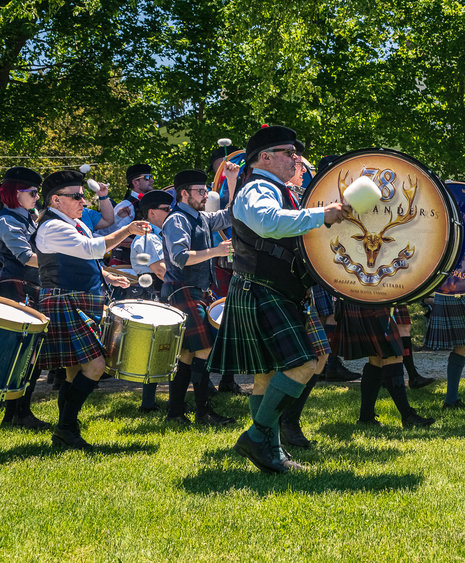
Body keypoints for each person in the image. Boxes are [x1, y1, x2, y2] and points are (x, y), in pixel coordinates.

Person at [207, 125, 347, 474]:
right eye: (288, 152)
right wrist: (321, 215)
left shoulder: (281, 190)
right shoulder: (257, 188)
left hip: (276, 288)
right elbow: (269, 224)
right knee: (303, 364)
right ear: (264, 157)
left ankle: (271, 451)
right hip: (261, 287)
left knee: (266, 376)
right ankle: (257, 436)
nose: (296, 158)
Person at [32, 170, 148, 449]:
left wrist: (106, 275)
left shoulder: (75, 223)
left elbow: (86, 258)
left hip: (82, 298)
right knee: (97, 365)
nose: (84, 201)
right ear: (56, 200)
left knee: (75, 372)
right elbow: (89, 249)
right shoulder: (52, 227)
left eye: (84, 195)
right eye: (77, 196)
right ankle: (66, 427)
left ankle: (66, 429)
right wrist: (127, 230)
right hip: (64, 299)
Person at [161, 170, 239, 427]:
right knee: (204, 349)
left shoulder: (202, 218)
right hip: (182, 290)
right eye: (200, 191)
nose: (206, 195)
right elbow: (181, 257)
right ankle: (204, 413)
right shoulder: (177, 220)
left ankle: (175, 412)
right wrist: (215, 251)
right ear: (184, 193)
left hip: (196, 291)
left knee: (185, 355)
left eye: (206, 191)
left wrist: (231, 180)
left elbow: (231, 213)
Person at [0, 167, 49, 429]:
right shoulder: (6, 221)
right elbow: (25, 257)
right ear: (15, 194)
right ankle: (16, 413)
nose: (37, 196)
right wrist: (62, 260)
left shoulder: (29, 217)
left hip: (31, 287)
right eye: (32, 192)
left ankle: (19, 413)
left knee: (34, 353)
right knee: (20, 352)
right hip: (14, 289)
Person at [128, 189, 175, 413]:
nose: (171, 212)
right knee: (156, 348)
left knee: (168, 346)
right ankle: (147, 403)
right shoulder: (148, 237)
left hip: (160, 292)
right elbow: (159, 270)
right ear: (152, 212)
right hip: (153, 294)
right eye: (167, 209)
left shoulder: (160, 234)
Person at [109, 163, 155, 265]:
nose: (152, 180)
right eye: (147, 177)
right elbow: (115, 236)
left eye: (152, 177)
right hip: (125, 265)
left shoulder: (147, 202)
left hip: (143, 263)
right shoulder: (127, 205)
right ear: (136, 182)